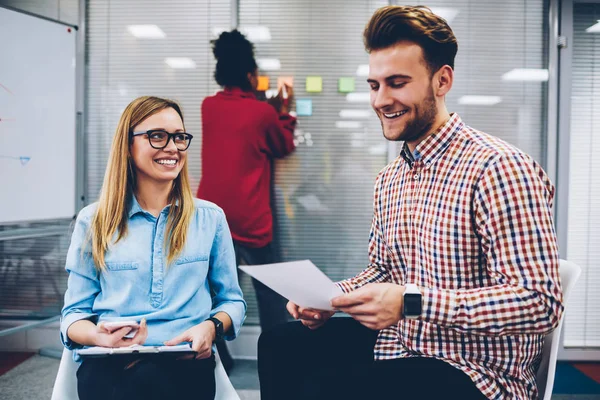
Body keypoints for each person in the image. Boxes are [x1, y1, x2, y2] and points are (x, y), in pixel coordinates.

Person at [258, 6, 563, 400]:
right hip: (403, 348)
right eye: (374, 85)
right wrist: (330, 297)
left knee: (326, 387)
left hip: (476, 372)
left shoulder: (499, 168)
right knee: (281, 345)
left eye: (397, 83)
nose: (381, 100)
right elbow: (384, 270)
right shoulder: (391, 179)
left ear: (442, 80)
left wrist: (412, 302)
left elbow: (539, 301)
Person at [60, 96, 246, 400]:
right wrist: (98, 336)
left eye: (179, 137)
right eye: (157, 136)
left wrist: (211, 327)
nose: (172, 147)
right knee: (141, 381)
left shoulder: (209, 218)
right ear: (128, 146)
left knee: (151, 381)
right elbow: (73, 316)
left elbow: (233, 302)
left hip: (184, 362)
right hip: (111, 364)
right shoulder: (94, 221)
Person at [197, 30, 296, 369]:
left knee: (215, 294)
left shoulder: (208, 107)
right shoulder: (262, 114)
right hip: (252, 221)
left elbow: (240, 124)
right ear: (251, 76)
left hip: (212, 221)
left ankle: (218, 360)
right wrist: (284, 109)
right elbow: (282, 144)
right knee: (268, 293)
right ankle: (279, 360)